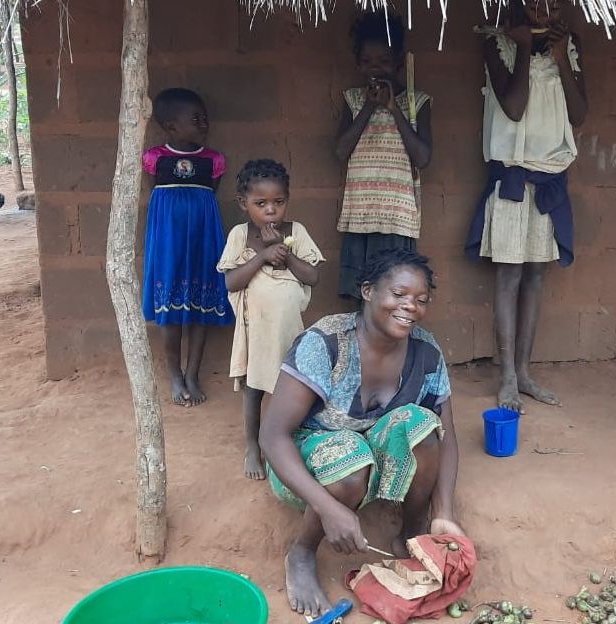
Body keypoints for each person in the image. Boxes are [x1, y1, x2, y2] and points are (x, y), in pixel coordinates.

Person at [259, 249, 464, 617]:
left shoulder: (425, 351)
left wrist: (444, 512)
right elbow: (272, 436)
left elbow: (446, 437)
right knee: (351, 463)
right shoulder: (326, 342)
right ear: (368, 291)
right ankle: (303, 551)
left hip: (369, 457)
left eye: (421, 300)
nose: (410, 307)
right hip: (306, 465)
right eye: (399, 294)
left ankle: (411, 532)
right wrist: (328, 508)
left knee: (423, 426)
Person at [465, 0, 588, 413]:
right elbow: (514, 107)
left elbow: (580, 113)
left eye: (551, 5)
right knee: (509, 276)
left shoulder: (567, 49)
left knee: (536, 276)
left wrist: (560, 56)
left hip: (549, 181)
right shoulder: (496, 46)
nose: (542, 11)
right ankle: (507, 379)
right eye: (534, 4)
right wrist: (520, 50)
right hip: (513, 180)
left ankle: (525, 371)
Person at [218, 159, 324, 481]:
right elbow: (231, 282)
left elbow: (313, 276)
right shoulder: (240, 235)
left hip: (289, 333)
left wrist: (285, 253)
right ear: (243, 203)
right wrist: (263, 255)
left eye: (278, 203)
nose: (270, 211)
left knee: (293, 389)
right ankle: (253, 445)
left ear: (287, 201)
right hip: (256, 334)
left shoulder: (297, 232)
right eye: (260, 203)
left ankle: (288, 440)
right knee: (254, 390)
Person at [141, 87, 234, 407]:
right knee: (170, 313)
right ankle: (175, 375)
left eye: (205, 116)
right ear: (171, 127)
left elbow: (210, 197)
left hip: (203, 240)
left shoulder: (214, 160)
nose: (204, 122)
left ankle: (193, 373)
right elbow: (155, 197)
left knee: (200, 311)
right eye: (195, 118)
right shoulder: (155, 158)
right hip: (169, 244)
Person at [334, 10, 433, 301]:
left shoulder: (417, 103)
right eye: (366, 62)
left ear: (400, 63)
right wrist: (367, 107)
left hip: (397, 220)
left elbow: (423, 157)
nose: (374, 69)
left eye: (384, 62)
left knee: (395, 297)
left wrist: (393, 108)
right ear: (357, 62)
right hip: (359, 218)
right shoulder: (352, 100)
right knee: (361, 297)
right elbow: (340, 151)